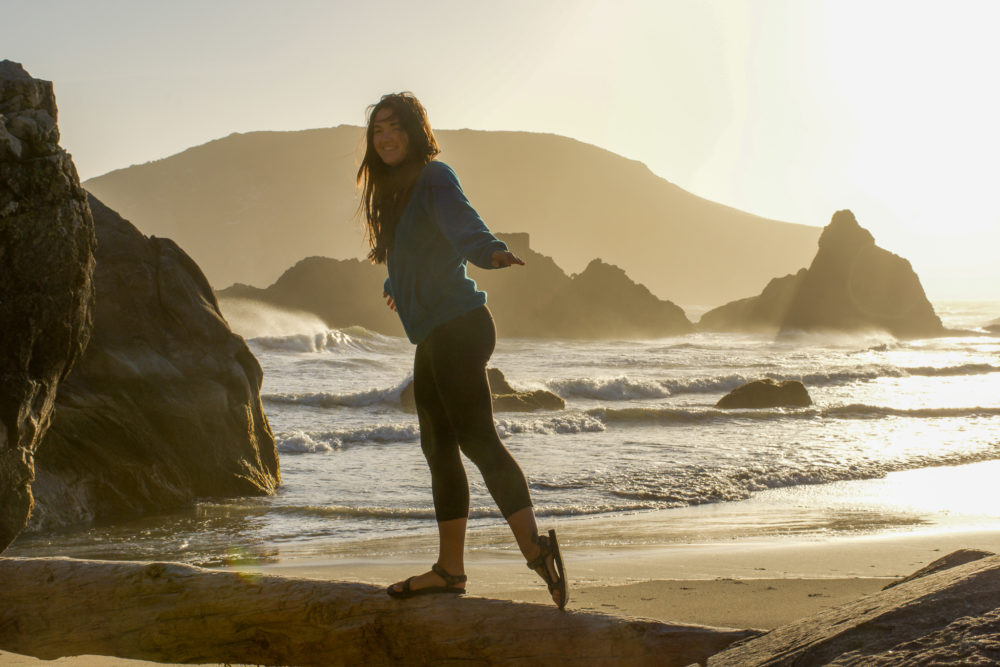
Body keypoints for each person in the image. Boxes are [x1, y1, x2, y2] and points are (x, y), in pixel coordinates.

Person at [357, 92, 567, 609]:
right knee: (439, 449)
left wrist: (487, 250)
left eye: (394, 127)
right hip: (435, 332)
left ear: (414, 131)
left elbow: (461, 222)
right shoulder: (396, 192)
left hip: (459, 326)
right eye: (377, 129)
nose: (385, 136)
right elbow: (415, 251)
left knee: (476, 441)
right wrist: (398, 286)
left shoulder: (432, 176)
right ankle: (450, 569)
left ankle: (537, 551)